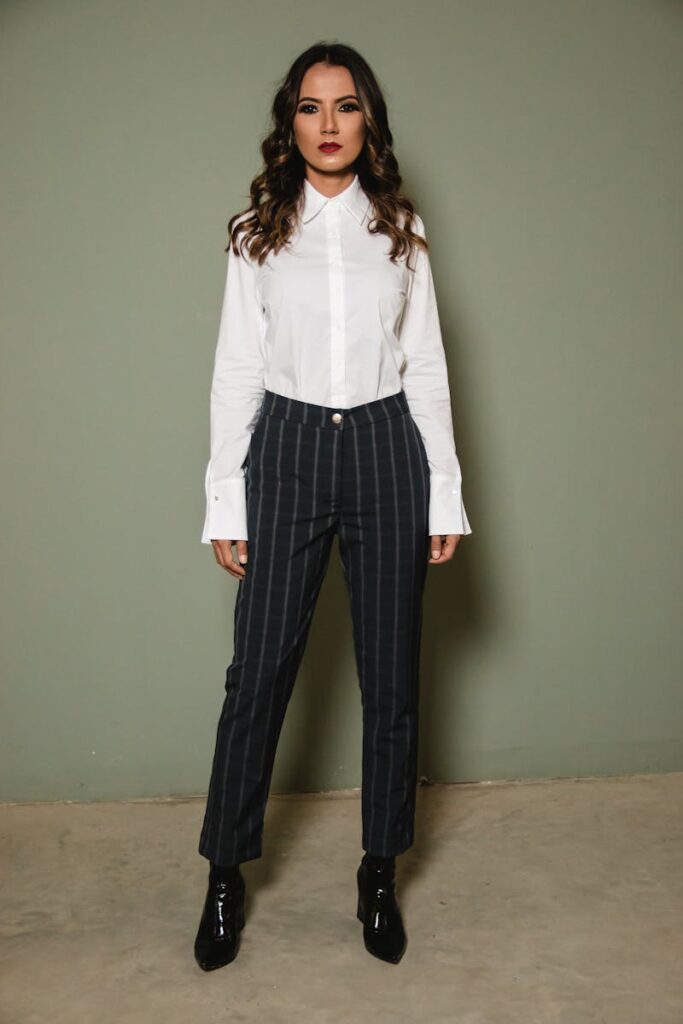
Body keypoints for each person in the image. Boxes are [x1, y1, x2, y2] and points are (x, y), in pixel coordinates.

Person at [194, 41, 472, 971]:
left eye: (345, 106)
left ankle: (378, 872)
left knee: (390, 679)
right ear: (290, 122)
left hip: (389, 447)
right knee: (257, 676)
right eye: (310, 107)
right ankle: (224, 875)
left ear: (367, 121)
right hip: (287, 448)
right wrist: (224, 500)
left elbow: (425, 364)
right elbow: (236, 367)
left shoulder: (401, 228)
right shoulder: (255, 232)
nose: (327, 124)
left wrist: (444, 490)